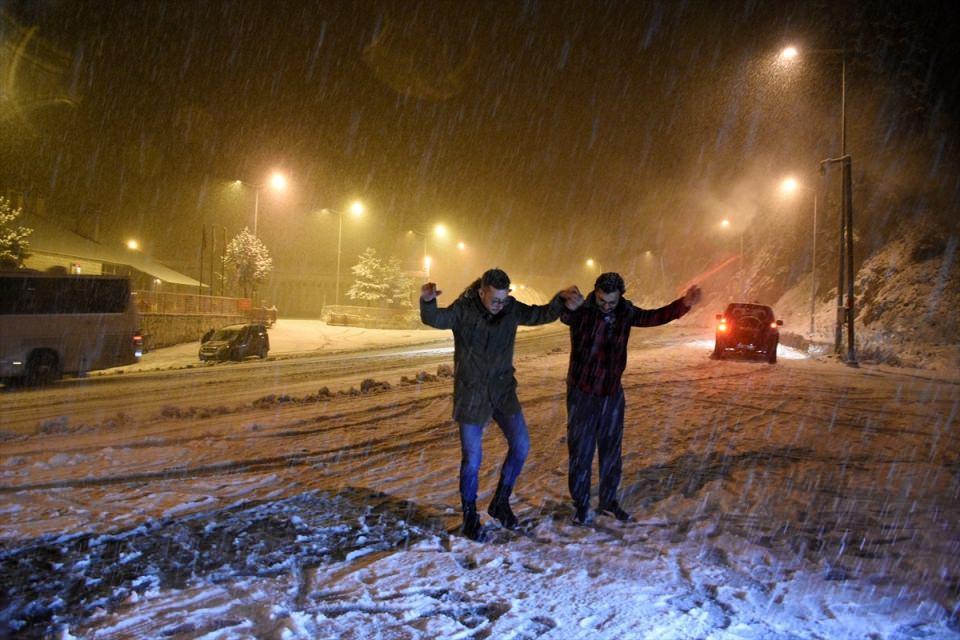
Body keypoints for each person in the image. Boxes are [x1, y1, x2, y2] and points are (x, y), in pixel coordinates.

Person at [421, 268, 581, 540]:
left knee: (521, 445)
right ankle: (470, 514)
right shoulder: (464, 310)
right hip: (472, 395)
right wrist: (427, 301)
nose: (499, 305)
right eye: (494, 299)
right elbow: (436, 318)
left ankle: (500, 501)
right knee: (472, 460)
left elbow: (539, 314)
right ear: (482, 292)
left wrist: (560, 300)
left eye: (503, 299)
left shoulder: (510, 308)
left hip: (503, 392)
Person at [561, 272, 702, 524]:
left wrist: (684, 304)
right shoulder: (582, 311)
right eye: (602, 301)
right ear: (595, 292)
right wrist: (561, 299)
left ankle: (608, 501)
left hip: (612, 394)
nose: (606, 307)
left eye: (611, 303)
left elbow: (653, 317)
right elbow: (561, 312)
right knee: (581, 454)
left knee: (611, 453)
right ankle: (581, 505)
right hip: (582, 395)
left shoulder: (625, 312)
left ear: (620, 298)